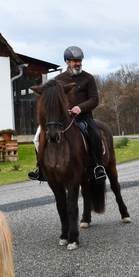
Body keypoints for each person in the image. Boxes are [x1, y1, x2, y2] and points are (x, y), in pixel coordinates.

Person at [28, 46, 106, 183]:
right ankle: (41, 169)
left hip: (83, 117)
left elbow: (94, 99)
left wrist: (80, 108)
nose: (78, 63)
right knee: (37, 138)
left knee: (94, 134)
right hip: (61, 119)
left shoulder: (88, 78)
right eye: (74, 61)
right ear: (67, 62)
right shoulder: (58, 79)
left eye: (79, 60)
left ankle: (98, 166)